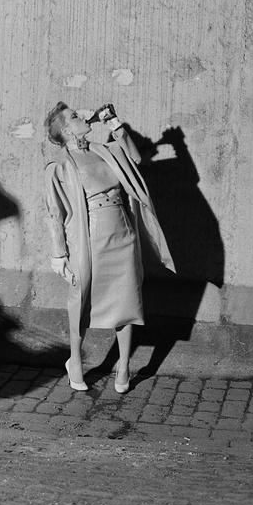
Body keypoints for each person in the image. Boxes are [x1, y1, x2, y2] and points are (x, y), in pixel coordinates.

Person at [43, 102, 175, 393]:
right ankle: (75, 362)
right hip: (88, 239)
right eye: (75, 116)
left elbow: (136, 159)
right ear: (66, 130)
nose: (83, 116)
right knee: (81, 299)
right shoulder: (61, 165)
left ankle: (124, 366)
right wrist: (58, 254)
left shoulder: (105, 149)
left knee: (127, 298)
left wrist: (114, 123)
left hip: (122, 234)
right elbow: (54, 212)